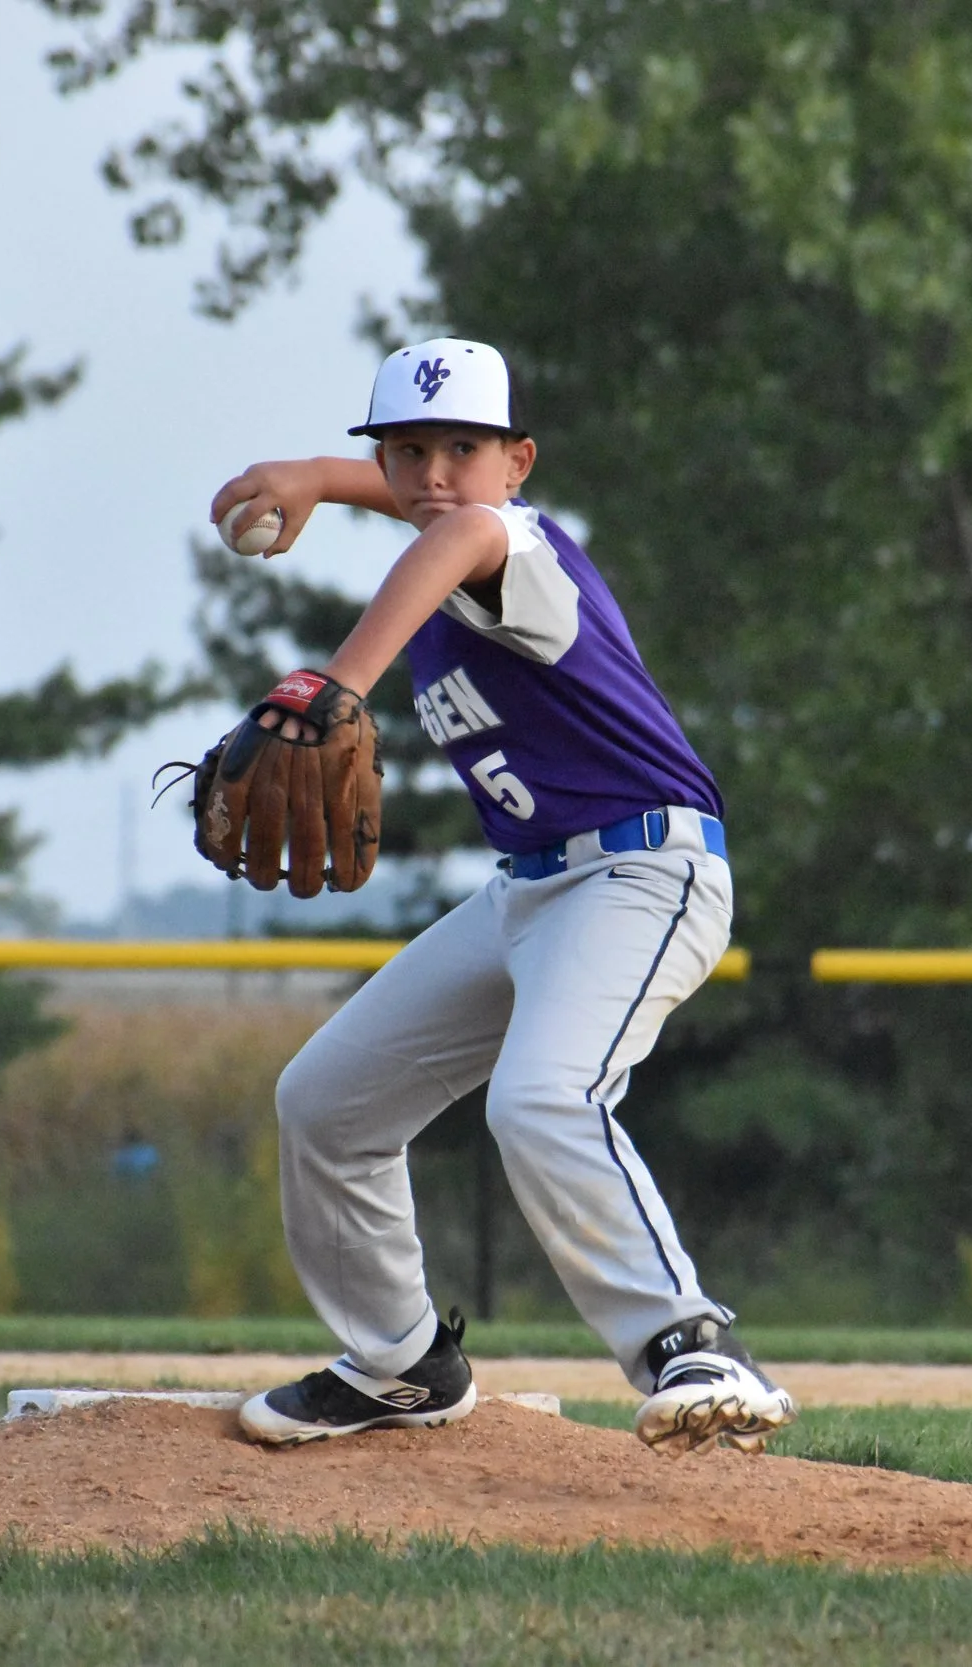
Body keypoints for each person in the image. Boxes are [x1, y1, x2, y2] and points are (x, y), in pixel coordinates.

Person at [205, 337, 796, 1450]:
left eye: (463, 448)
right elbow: (427, 515)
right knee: (326, 1102)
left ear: (517, 459)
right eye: (408, 450)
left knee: (542, 1096)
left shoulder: (510, 540)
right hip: (528, 893)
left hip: (644, 871)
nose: (434, 472)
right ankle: (400, 1360)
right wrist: (315, 476)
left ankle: (688, 1340)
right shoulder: (444, 529)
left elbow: (462, 531)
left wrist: (338, 681)